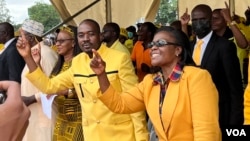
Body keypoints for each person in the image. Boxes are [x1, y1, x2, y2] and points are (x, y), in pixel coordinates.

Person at [17, 19, 149, 141]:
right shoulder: (78, 62)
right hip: (92, 135)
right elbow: (49, 86)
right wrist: (28, 57)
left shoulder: (119, 58)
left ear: (101, 36)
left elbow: (133, 103)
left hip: (121, 135)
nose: (85, 39)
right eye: (81, 35)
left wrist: (141, 137)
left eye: (91, 34)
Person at [89, 26, 221, 141]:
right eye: (152, 45)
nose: (153, 48)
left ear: (178, 50)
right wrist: (101, 74)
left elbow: (206, 131)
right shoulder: (151, 82)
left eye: (161, 43)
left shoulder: (197, 77)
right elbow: (119, 104)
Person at [181, 4, 244, 128]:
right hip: (192, 113)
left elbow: (235, 87)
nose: (198, 23)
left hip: (219, 113)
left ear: (210, 20)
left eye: (202, 19)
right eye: (194, 20)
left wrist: (234, 123)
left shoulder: (224, 46)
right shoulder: (189, 46)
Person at [20, 19, 58, 141]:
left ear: (30, 37)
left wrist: (31, 99)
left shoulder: (46, 54)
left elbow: (54, 87)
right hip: (33, 113)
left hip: (44, 114)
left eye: (21, 36)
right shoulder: (31, 53)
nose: (19, 39)